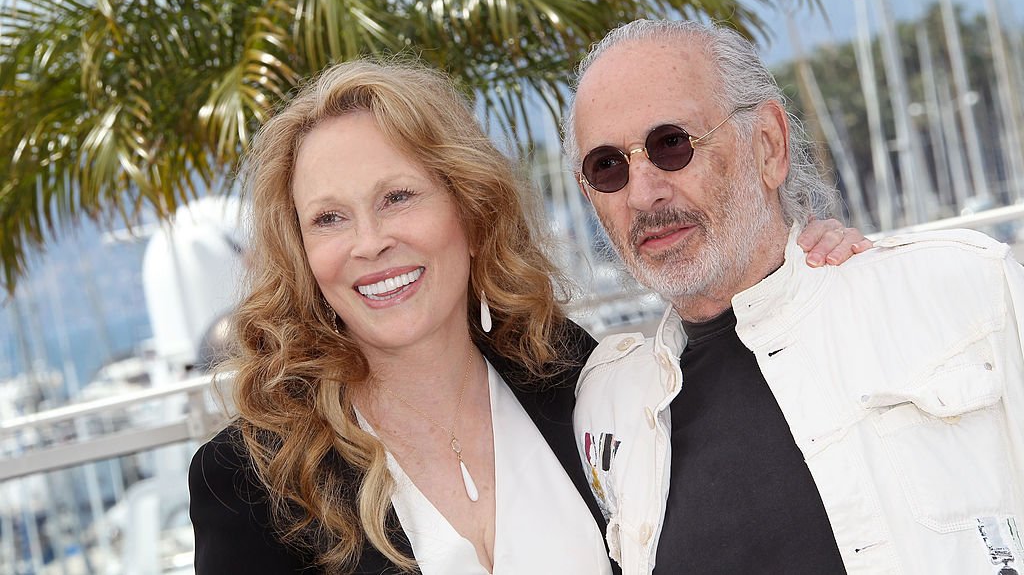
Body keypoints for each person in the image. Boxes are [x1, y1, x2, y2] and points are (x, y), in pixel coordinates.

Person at [187, 58, 863, 574]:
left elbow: (735, 420)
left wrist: (800, 275)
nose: (369, 242)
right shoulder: (250, 482)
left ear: (470, 212)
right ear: (302, 254)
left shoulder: (571, 377)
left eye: (397, 197)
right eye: (329, 218)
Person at [567, 19, 1024, 575]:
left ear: (769, 145)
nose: (642, 193)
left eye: (671, 145)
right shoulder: (607, 406)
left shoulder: (965, 291)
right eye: (608, 166)